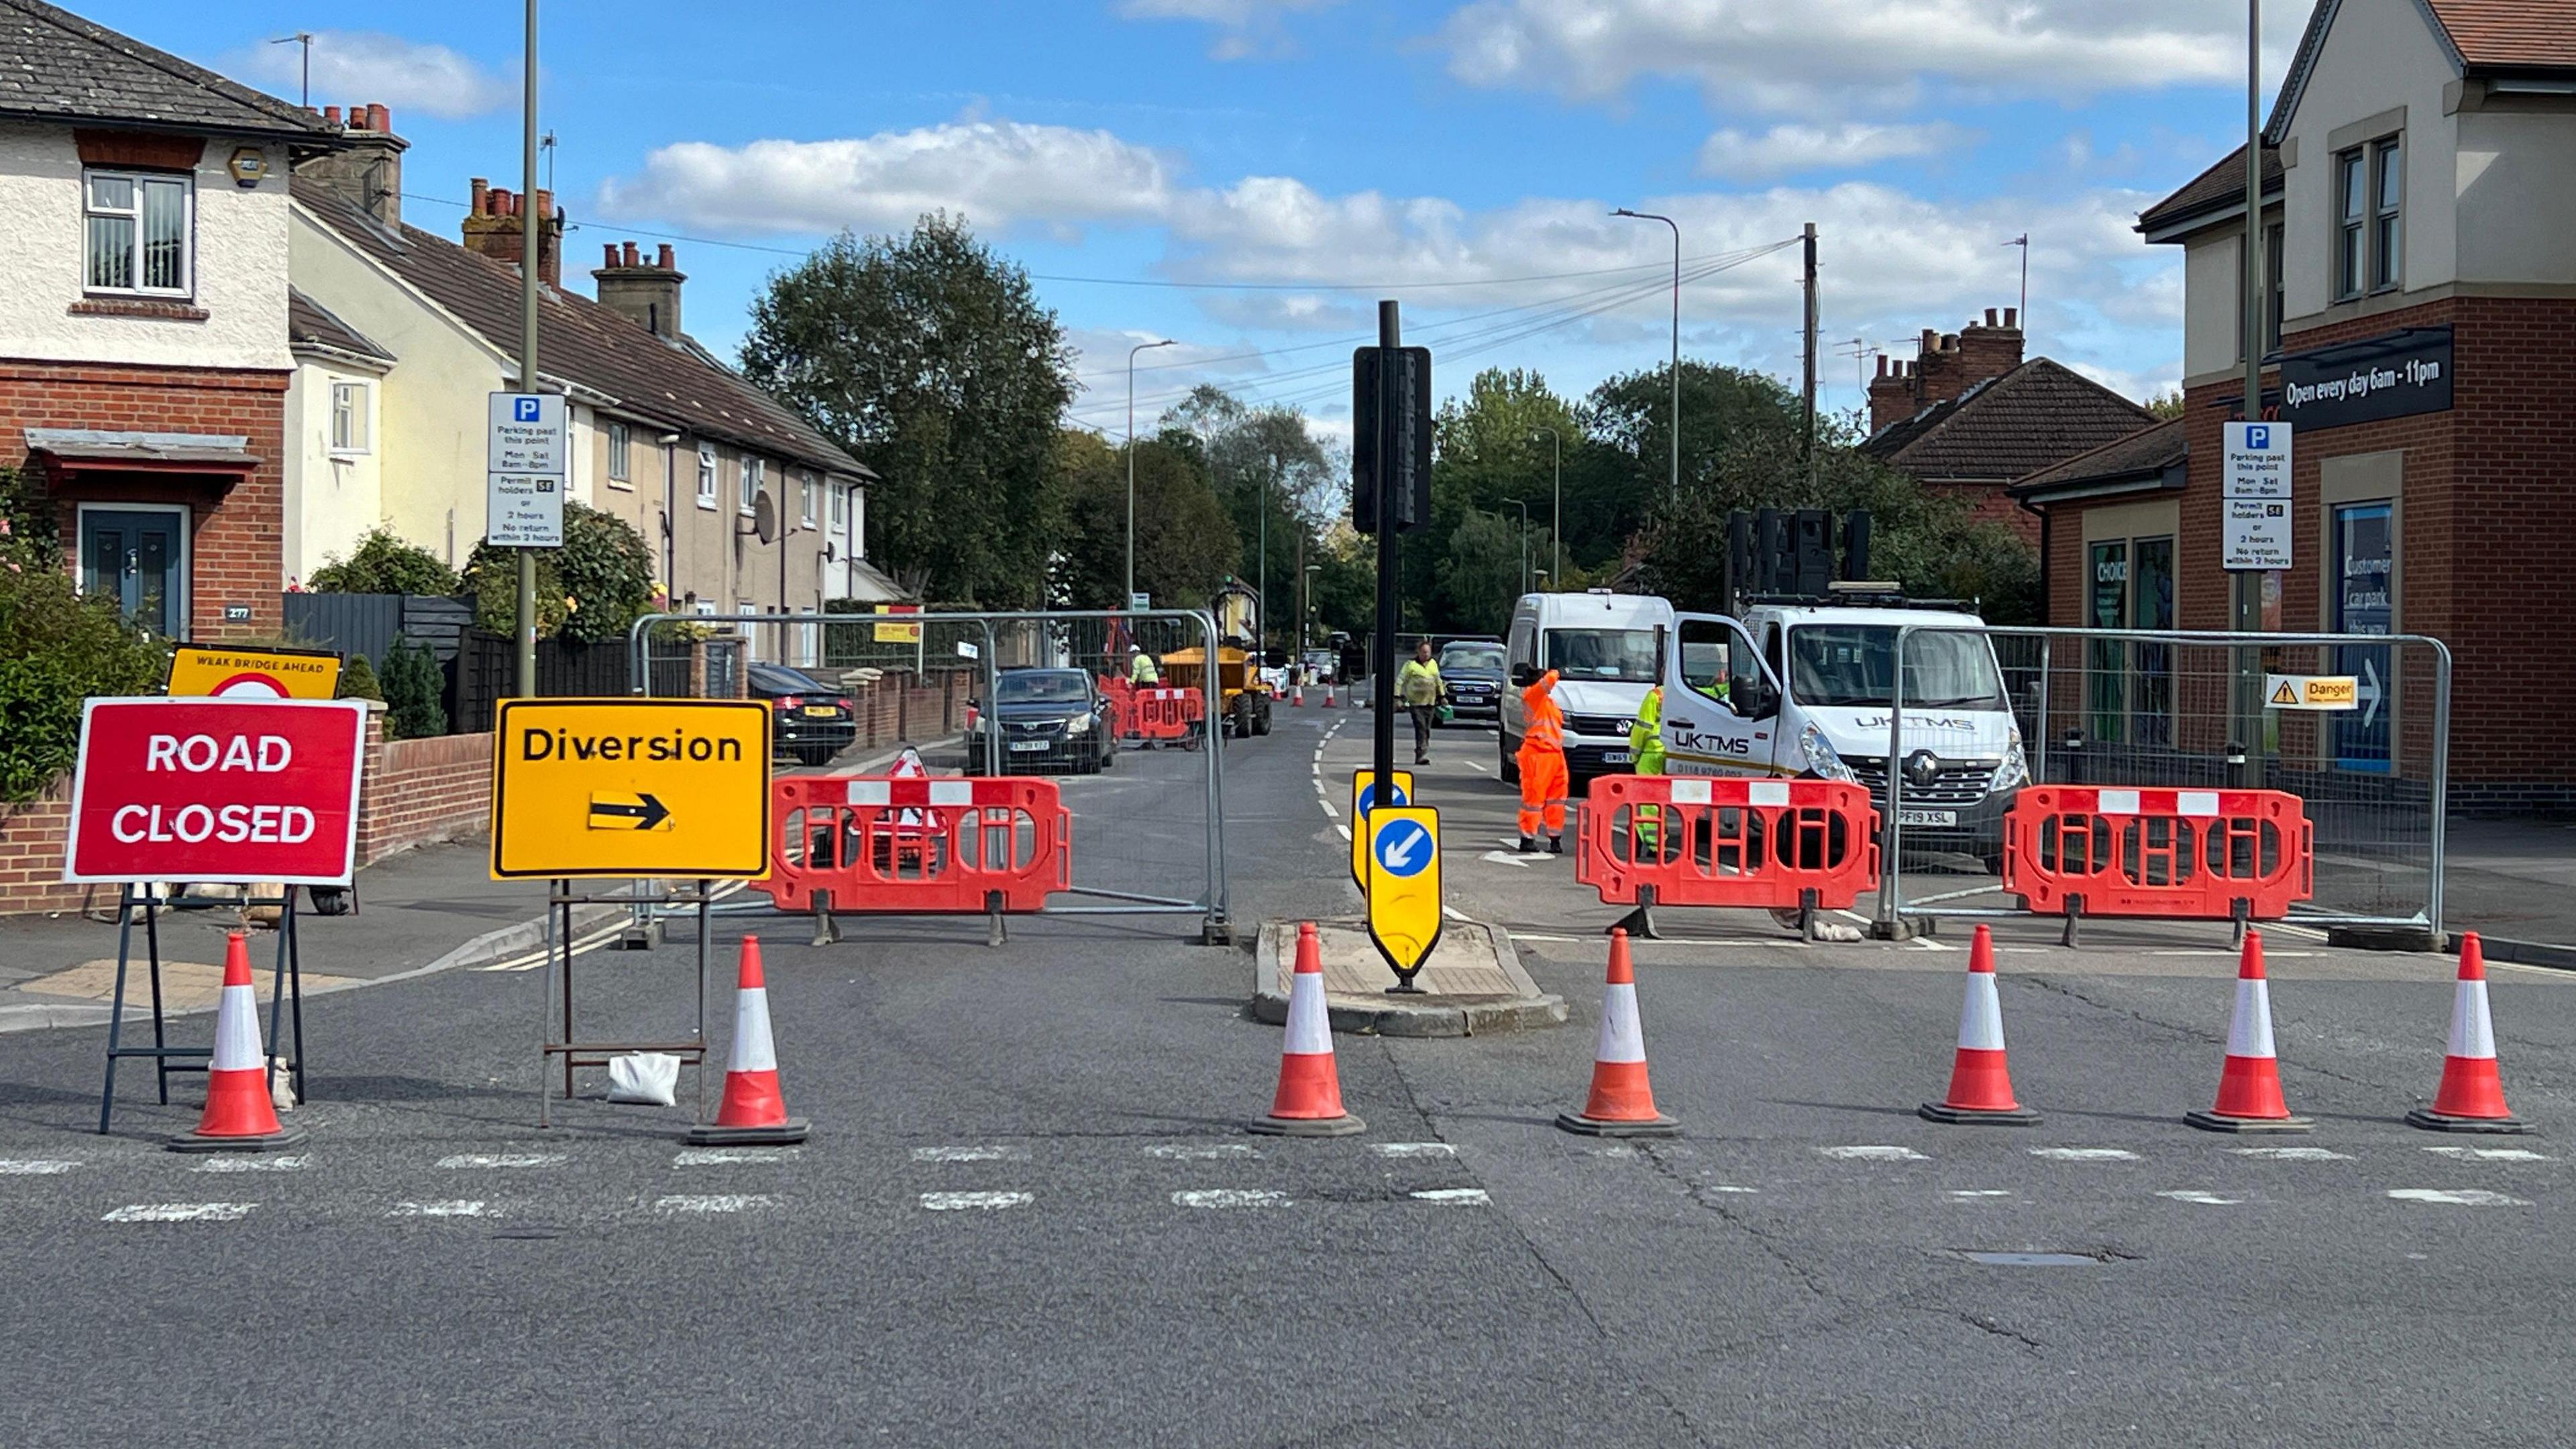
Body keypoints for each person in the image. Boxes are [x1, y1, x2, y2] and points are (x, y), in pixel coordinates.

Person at [1517, 668, 1568, 854]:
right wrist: (1555, 670)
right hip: (1537, 753)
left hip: (1555, 754)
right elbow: (1550, 680)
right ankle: (1527, 838)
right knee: (1534, 798)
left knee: (1557, 800)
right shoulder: (1532, 696)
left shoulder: (1549, 703)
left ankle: (1555, 838)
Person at [1629, 682, 1668, 858]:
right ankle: (1650, 839)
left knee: (1648, 801)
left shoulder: (1655, 695)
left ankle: (1654, 845)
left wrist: (1634, 756)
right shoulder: (1684, 695)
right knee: (1663, 801)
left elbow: (1641, 729)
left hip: (1651, 753)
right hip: (1672, 755)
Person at [1397, 641, 1442, 765]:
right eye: (1423, 652)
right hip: (1416, 703)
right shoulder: (1410, 665)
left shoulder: (1433, 664)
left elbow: (1438, 681)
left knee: (1426, 729)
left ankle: (1423, 749)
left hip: (1430, 702)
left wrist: (1442, 696)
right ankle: (1421, 754)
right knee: (1421, 727)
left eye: (1428, 652)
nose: (1426, 654)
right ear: (1418, 652)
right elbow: (1400, 680)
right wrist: (1397, 697)